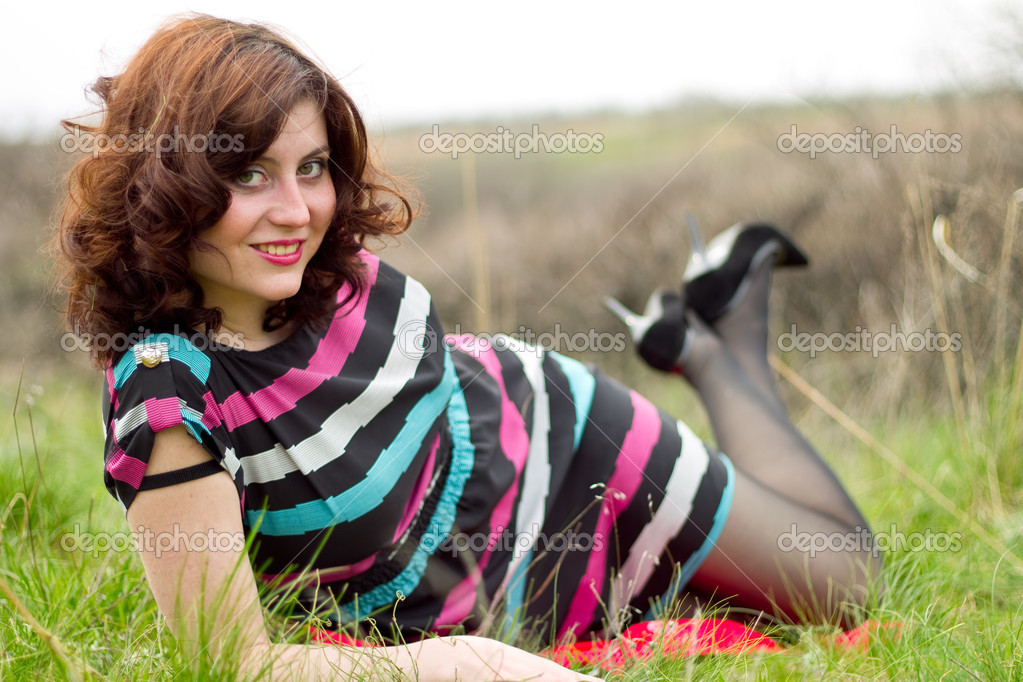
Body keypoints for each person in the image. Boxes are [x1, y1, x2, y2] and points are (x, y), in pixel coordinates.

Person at [53, 14, 881, 680]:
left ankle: (715, 343)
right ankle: (711, 328)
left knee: (847, 585)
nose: (299, 210)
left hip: (576, 441)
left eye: (312, 168)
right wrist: (459, 664)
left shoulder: (322, 268)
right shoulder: (171, 399)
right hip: (509, 602)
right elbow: (230, 664)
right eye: (249, 176)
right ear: (165, 183)